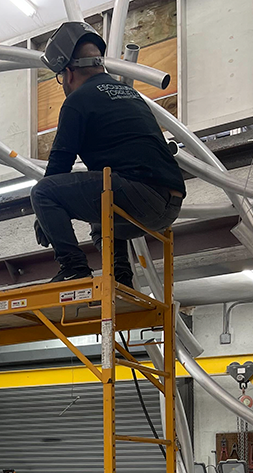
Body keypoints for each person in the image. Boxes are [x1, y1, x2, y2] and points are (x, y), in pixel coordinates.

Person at [31, 22, 186, 285]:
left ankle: (73, 267)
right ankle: (120, 275)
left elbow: (60, 163)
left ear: (68, 72)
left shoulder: (78, 101)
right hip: (169, 204)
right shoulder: (131, 94)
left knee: (43, 191)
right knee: (100, 195)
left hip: (141, 197)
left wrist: (44, 215)